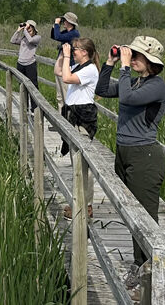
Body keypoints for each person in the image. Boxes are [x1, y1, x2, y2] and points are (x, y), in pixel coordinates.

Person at [94, 35, 165, 294]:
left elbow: (126, 99)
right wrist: (110, 62)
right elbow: (102, 90)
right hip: (124, 152)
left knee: (146, 217)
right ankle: (141, 265)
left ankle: (146, 270)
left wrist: (124, 67)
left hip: (144, 156)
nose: (133, 58)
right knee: (131, 213)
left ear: (151, 62)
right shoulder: (135, 82)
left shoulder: (157, 86)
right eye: (132, 54)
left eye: (137, 56)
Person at [53, 38, 100, 219]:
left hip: (83, 119)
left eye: (76, 50)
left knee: (82, 164)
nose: (73, 52)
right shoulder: (80, 67)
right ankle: (79, 203)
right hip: (73, 116)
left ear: (85, 52)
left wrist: (66, 56)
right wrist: (61, 55)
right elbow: (58, 71)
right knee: (76, 163)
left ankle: (85, 206)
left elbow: (66, 78)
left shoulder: (90, 69)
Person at [50, 12, 80, 112]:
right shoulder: (67, 32)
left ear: (70, 22)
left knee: (65, 94)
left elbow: (58, 37)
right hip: (61, 66)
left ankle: (67, 121)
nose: (63, 22)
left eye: (65, 20)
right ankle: (60, 120)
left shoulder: (74, 34)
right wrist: (54, 26)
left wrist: (57, 24)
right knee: (59, 96)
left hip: (68, 67)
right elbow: (54, 36)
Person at [10, 19, 41, 110]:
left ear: (34, 28)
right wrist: (18, 30)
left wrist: (25, 29)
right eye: (28, 26)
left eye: (30, 27)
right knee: (22, 86)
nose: (28, 28)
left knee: (33, 86)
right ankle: (24, 106)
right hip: (20, 64)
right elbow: (12, 41)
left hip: (30, 64)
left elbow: (31, 41)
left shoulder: (37, 37)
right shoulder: (24, 38)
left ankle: (35, 109)